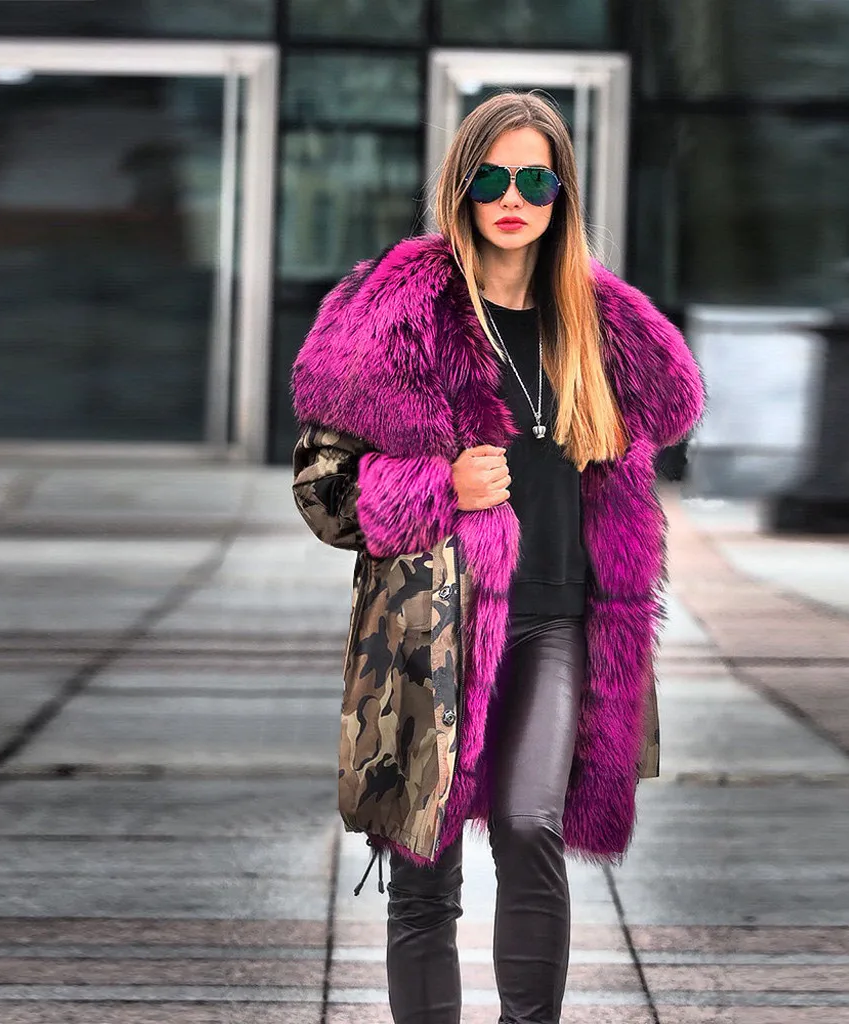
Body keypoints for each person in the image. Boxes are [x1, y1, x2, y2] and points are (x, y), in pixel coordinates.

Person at [290, 91, 704, 1024]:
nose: (512, 198)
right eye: (492, 178)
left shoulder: (600, 330)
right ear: (461, 186)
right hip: (428, 628)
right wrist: (439, 485)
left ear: (562, 196)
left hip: (559, 618)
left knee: (529, 825)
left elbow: (670, 408)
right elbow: (322, 491)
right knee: (424, 868)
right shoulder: (393, 318)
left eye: (535, 181)